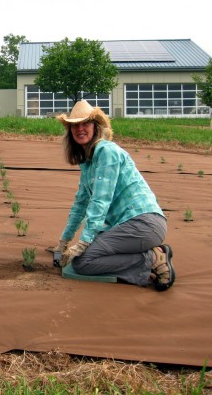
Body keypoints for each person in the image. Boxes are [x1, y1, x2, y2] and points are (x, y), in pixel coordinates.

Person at [52, 99, 175, 291]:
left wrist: (83, 243)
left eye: (86, 123)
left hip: (143, 223)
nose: (80, 129)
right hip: (129, 226)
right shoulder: (88, 163)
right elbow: (80, 205)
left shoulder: (106, 152)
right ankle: (147, 255)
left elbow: (100, 201)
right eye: (75, 125)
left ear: (95, 127)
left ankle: (152, 259)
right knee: (86, 254)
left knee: (83, 262)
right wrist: (63, 242)